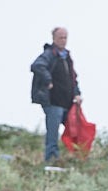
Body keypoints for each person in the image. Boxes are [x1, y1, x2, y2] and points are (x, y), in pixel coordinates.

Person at [31, 27, 82, 163]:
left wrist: (77, 93)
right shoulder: (49, 54)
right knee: (53, 134)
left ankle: (74, 158)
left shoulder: (67, 57)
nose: (63, 40)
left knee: (76, 130)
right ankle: (51, 161)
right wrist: (48, 80)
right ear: (54, 38)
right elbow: (36, 66)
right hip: (53, 102)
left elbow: (73, 78)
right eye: (60, 37)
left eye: (65, 37)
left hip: (68, 103)